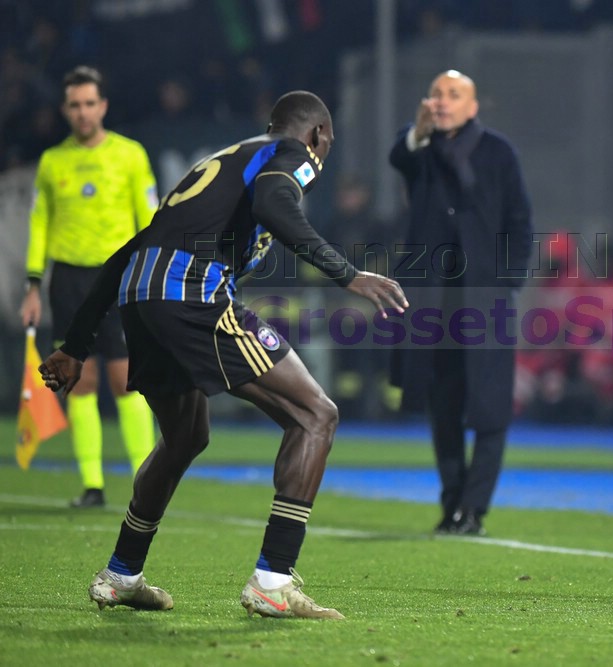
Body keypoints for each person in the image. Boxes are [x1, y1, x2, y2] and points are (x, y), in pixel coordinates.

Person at [38, 90, 408, 619]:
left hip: (142, 296)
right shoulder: (291, 153)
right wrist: (347, 274)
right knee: (316, 414)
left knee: (186, 436)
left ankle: (121, 574)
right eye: (325, 143)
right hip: (189, 291)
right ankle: (273, 580)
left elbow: (128, 253)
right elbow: (275, 204)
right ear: (318, 135)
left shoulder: (226, 162)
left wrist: (75, 345)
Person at [389, 70, 533, 536]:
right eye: (436, 94)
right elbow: (399, 156)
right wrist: (418, 130)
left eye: (454, 95)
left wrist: (506, 282)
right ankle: (452, 505)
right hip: (434, 300)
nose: (443, 101)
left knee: (490, 407)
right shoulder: (420, 148)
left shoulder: (498, 152)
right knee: (443, 406)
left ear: (473, 107)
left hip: (485, 297)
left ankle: (474, 509)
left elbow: (520, 220)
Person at [21, 66, 158, 508]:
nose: (82, 112)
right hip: (68, 281)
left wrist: (151, 275)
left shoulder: (130, 155)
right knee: (78, 380)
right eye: (74, 105)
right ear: (65, 110)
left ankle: (146, 482)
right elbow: (40, 223)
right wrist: (33, 284)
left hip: (118, 277)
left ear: (103, 106)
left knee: (126, 379)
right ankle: (92, 485)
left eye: (89, 103)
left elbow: (150, 218)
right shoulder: (52, 161)